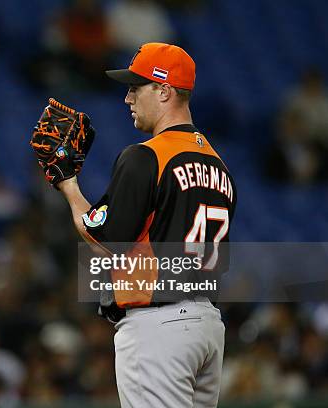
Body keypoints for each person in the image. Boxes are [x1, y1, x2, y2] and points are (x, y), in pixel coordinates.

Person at [55, 43, 237, 407]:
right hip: (207, 326)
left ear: (165, 91)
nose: (127, 98)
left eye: (136, 87)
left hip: (159, 326)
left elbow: (105, 241)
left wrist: (68, 184)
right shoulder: (219, 166)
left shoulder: (146, 155)